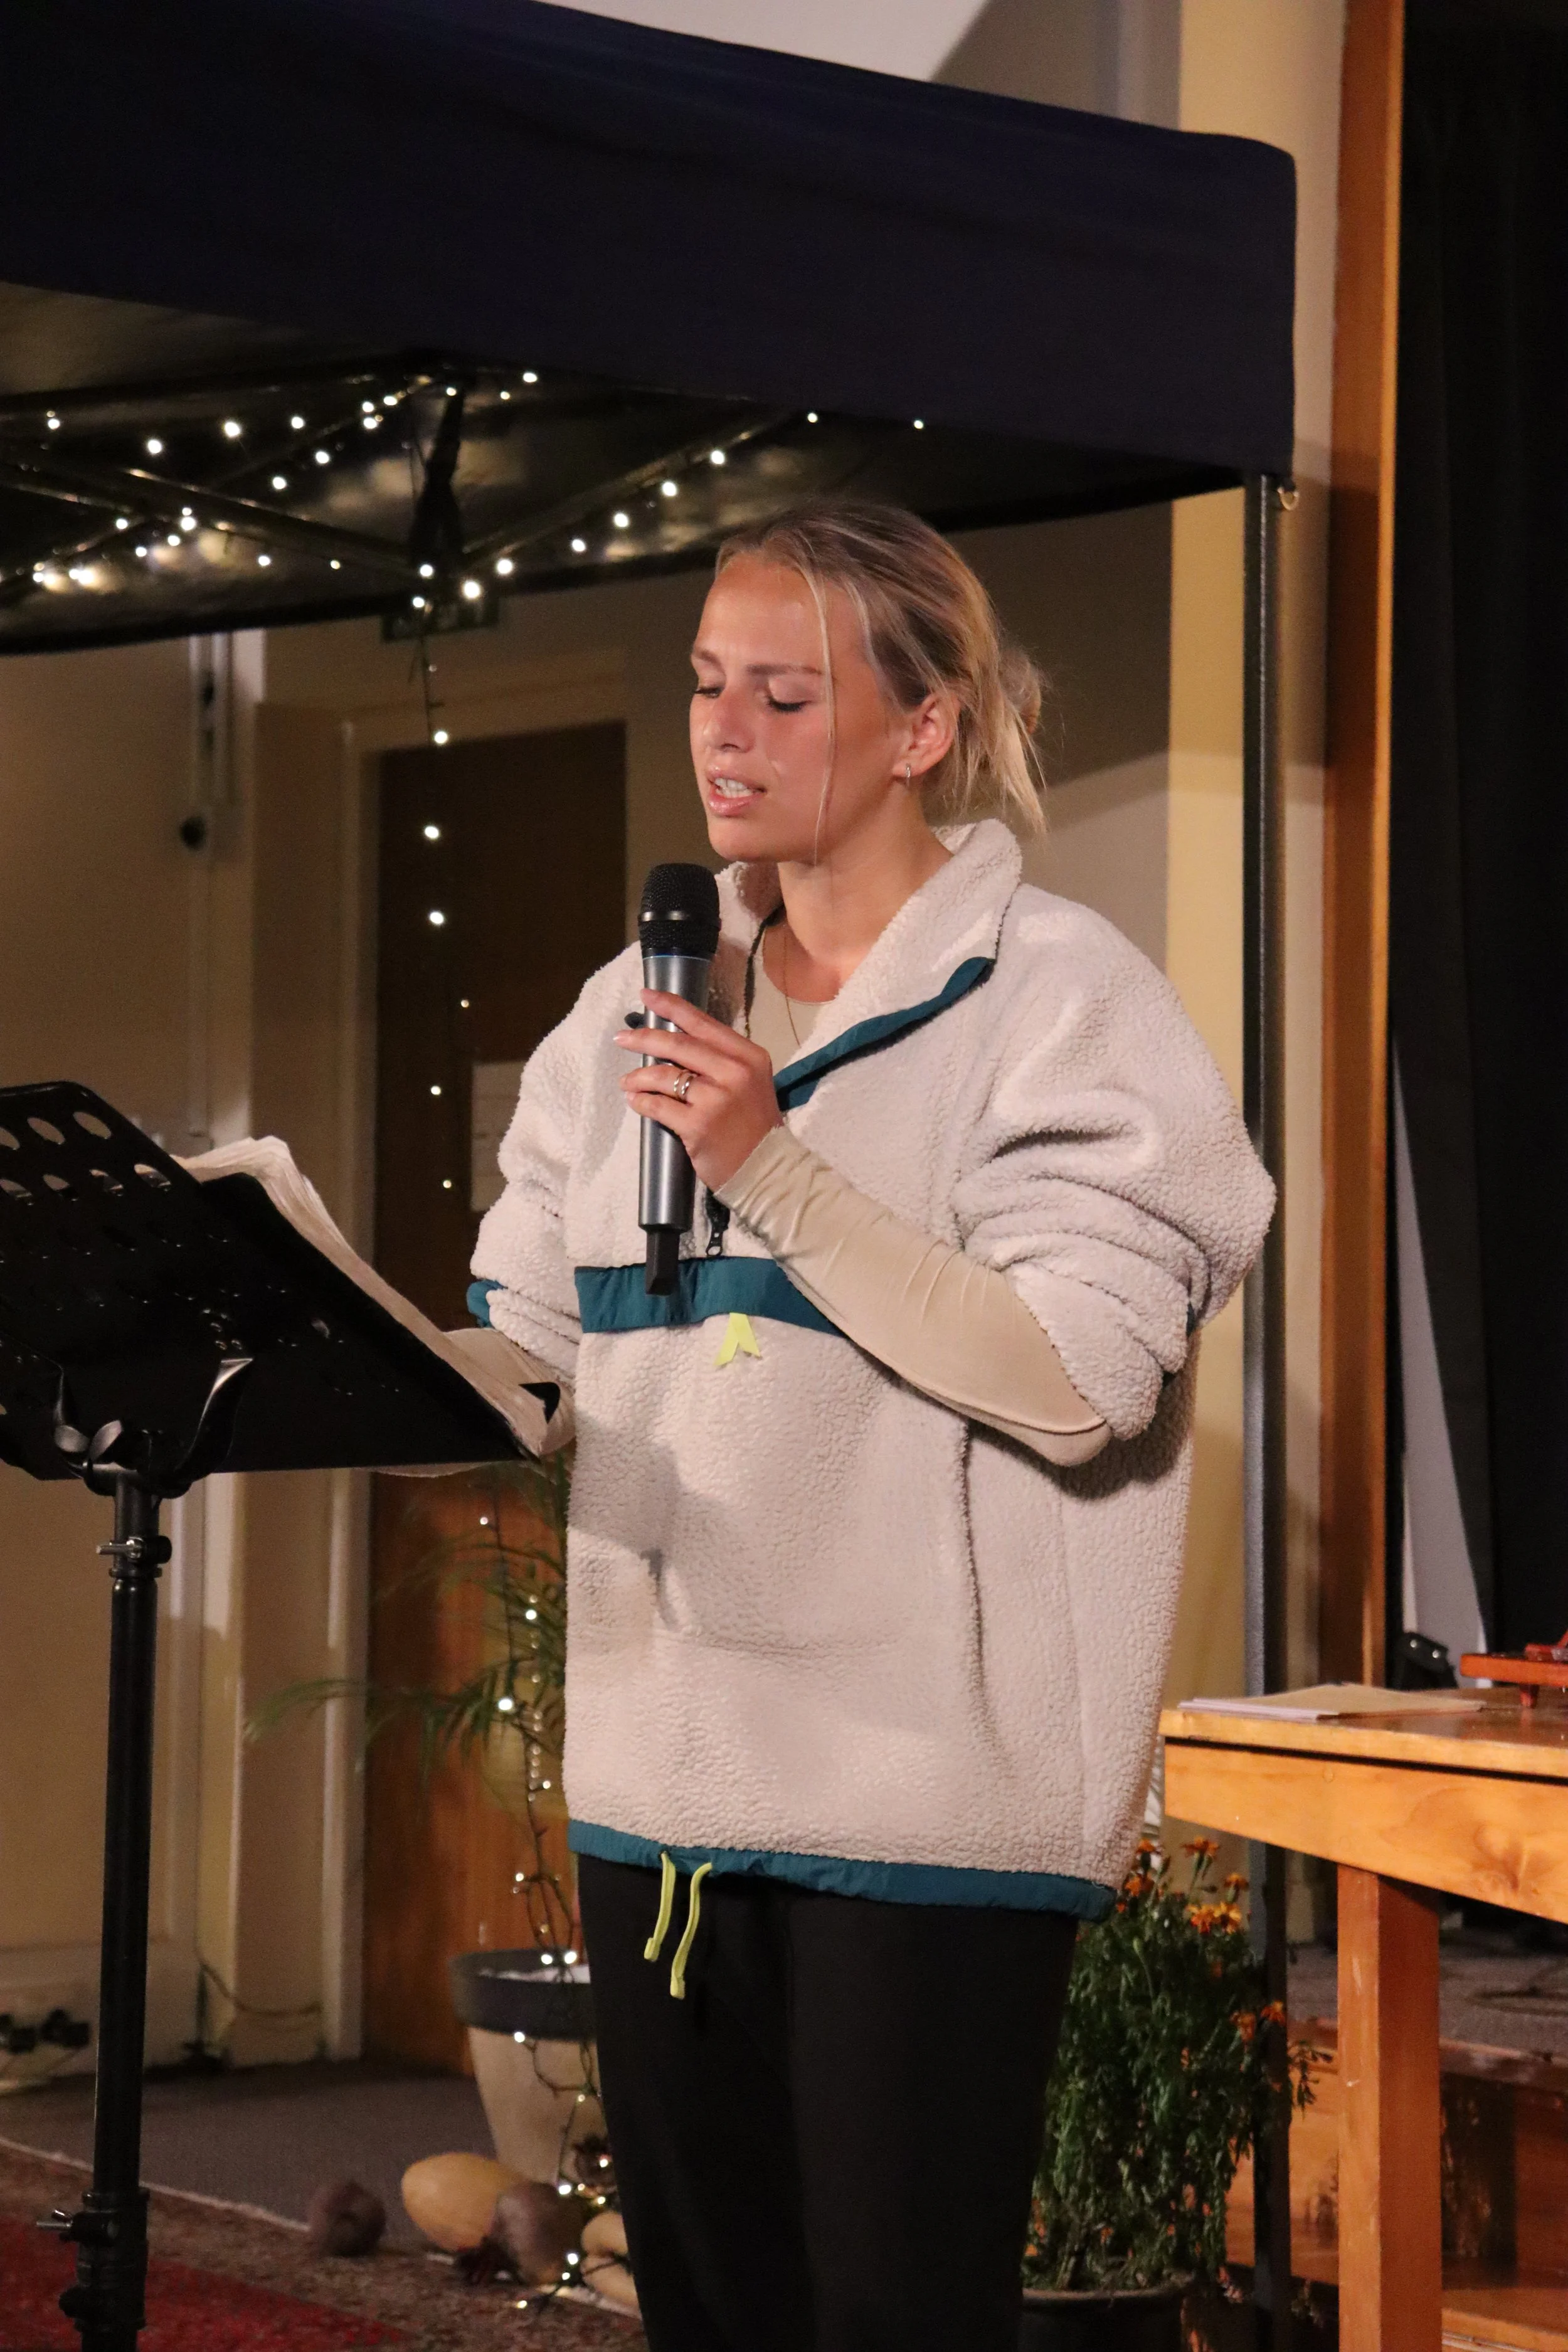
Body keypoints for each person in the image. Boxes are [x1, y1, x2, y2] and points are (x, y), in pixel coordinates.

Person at [471, 501, 1274, 2352]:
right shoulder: (626, 1014)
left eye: (780, 693)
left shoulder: (1058, 1002)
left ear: (923, 727)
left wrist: (769, 1167)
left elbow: (1073, 1380)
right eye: (702, 687)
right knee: (713, 2320)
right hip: (662, 1797)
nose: (719, 734)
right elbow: (522, 1355)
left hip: (922, 1804)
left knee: (889, 2323)